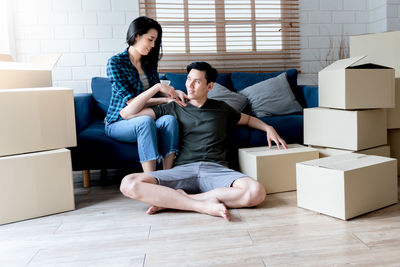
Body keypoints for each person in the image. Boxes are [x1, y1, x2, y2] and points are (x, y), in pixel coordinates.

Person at [119, 62, 288, 221]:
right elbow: (127, 114)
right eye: (188, 79)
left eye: (197, 82)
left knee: (256, 192)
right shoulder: (175, 106)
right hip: (183, 169)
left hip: (216, 169)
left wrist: (268, 128)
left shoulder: (221, 108)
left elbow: (249, 120)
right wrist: (157, 89)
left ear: (210, 86)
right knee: (128, 183)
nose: (190, 85)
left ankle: (178, 201)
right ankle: (202, 206)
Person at [105, 16, 188, 172]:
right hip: (119, 121)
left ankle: (167, 175)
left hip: (144, 114)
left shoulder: (148, 64)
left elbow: (155, 98)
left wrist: (174, 93)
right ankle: (151, 179)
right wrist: (158, 88)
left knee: (170, 120)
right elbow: (131, 102)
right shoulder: (115, 62)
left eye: (155, 41)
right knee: (145, 121)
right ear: (137, 36)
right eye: (150, 39)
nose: (153, 45)